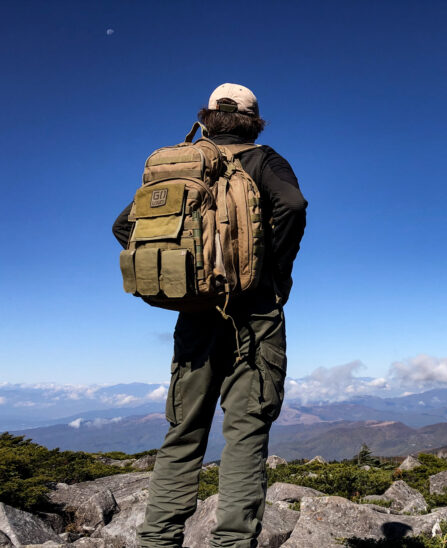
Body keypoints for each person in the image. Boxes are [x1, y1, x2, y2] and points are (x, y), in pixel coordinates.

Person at [112, 83, 307, 548]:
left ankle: (158, 540)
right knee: (245, 429)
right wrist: (271, 277)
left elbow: (124, 225)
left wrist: (184, 274)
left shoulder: (179, 164)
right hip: (254, 315)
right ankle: (232, 543)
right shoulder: (264, 160)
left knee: (183, 429)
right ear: (253, 119)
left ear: (208, 117)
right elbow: (293, 206)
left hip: (196, 312)